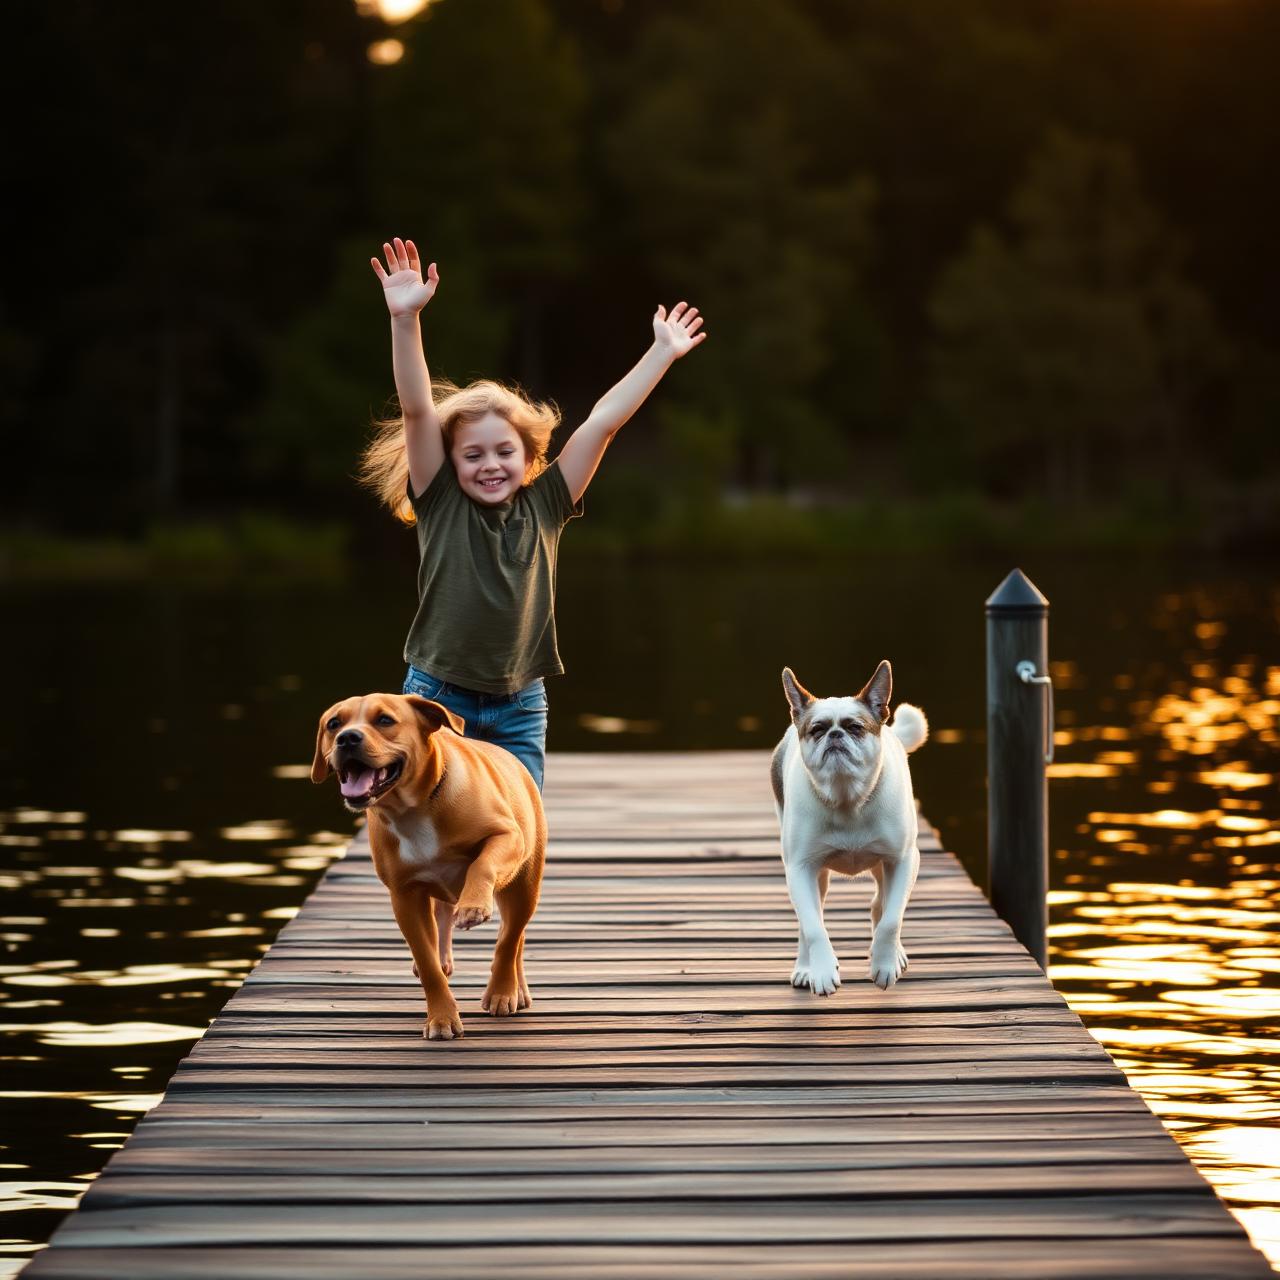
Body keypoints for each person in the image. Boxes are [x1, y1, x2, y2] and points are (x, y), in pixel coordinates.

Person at [360, 235, 706, 797]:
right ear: (448, 463)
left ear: (529, 458)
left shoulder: (547, 503)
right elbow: (417, 407)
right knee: (435, 822)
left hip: (521, 703)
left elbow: (602, 423)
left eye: (504, 452)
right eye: (472, 455)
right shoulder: (441, 501)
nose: (490, 464)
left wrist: (661, 352)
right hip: (438, 699)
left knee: (518, 831)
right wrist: (405, 319)